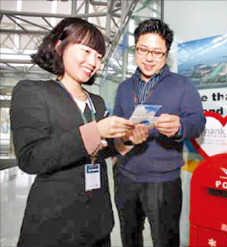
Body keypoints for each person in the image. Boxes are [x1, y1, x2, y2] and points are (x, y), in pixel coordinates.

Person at [10, 17, 148, 247]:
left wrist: (125, 140)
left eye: (99, 56)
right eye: (86, 51)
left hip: (98, 223)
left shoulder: (97, 101)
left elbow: (99, 151)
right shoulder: (32, 92)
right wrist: (94, 131)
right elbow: (31, 158)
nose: (93, 62)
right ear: (59, 46)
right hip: (55, 225)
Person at [113, 18, 206, 247]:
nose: (149, 58)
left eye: (157, 52)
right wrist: (125, 136)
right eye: (143, 50)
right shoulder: (124, 88)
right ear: (136, 49)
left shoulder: (183, 85)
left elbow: (198, 122)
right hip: (125, 177)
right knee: (129, 238)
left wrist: (180, 127)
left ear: (166, 54)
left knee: (165, 240)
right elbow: (116, 127)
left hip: (163, 181)